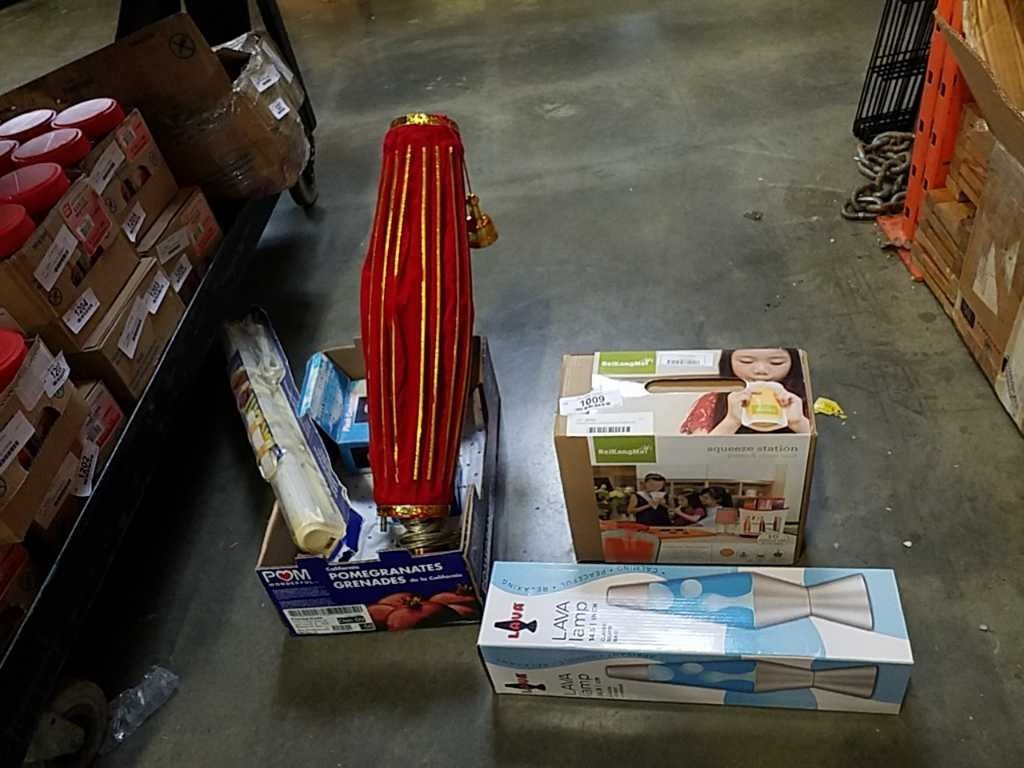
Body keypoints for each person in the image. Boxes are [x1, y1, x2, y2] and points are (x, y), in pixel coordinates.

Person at [679, 348, 811, 435]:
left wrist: (799, 423)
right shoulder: (712, 401)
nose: (760, 370)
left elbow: (819, 453)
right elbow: (697, 457)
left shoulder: (806, 399)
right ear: (728, 360)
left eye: (776, 362)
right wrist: (731, 421)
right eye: (746, 361)